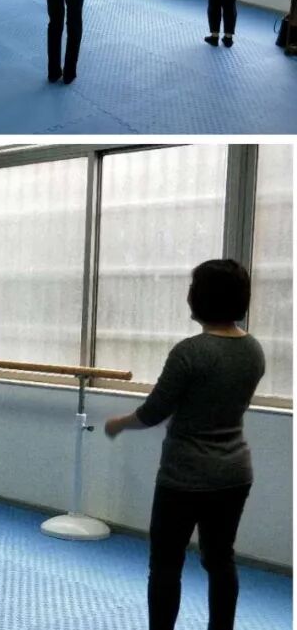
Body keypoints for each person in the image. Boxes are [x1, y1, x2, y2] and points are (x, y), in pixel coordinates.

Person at [104, 260, 264, 630]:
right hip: (234, 473)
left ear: (202, 298)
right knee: (220, 559)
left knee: (166, 564)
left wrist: (119, 424)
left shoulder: (190, 352)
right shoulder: (253, 350)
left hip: (184, 476)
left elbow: (153, 412)